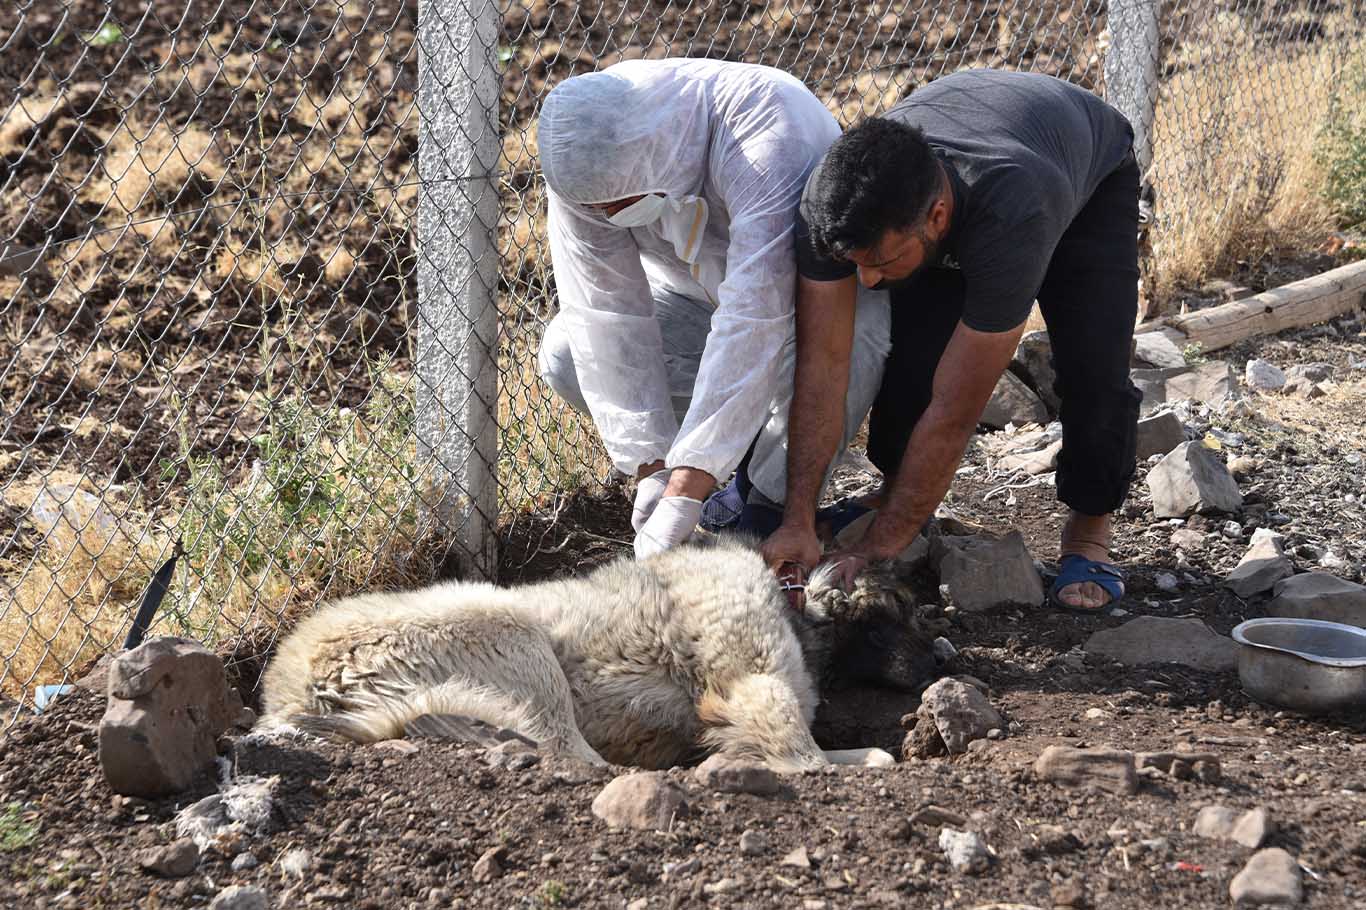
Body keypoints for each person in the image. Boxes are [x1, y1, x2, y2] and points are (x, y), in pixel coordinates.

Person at [761, 68, 1142, 612]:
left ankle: (1089, 528)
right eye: (856, 265)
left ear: (937, 218)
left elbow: (956, 410)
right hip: (970, 154)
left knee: (1092, 368)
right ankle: (897, 496)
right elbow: (822, 365)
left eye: (878, 263)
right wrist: (797, 517)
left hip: (1084, 176)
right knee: (911, 360)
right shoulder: (832, 204)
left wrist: (875, 550)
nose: (865, 282)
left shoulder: (1015, 208)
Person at [536, 58, 889, 559]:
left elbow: (756, 314)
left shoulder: (768, 131)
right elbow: (605, 314)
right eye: (600, 209)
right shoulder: (582, 168)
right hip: (699, 302)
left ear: (656, 148)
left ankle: (765, 507)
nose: (610, 217)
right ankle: (730, 458)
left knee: (854, 343)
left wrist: (686, 488)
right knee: (566, 354)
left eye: (620, 202)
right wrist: (652, 468)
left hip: (811, 308)